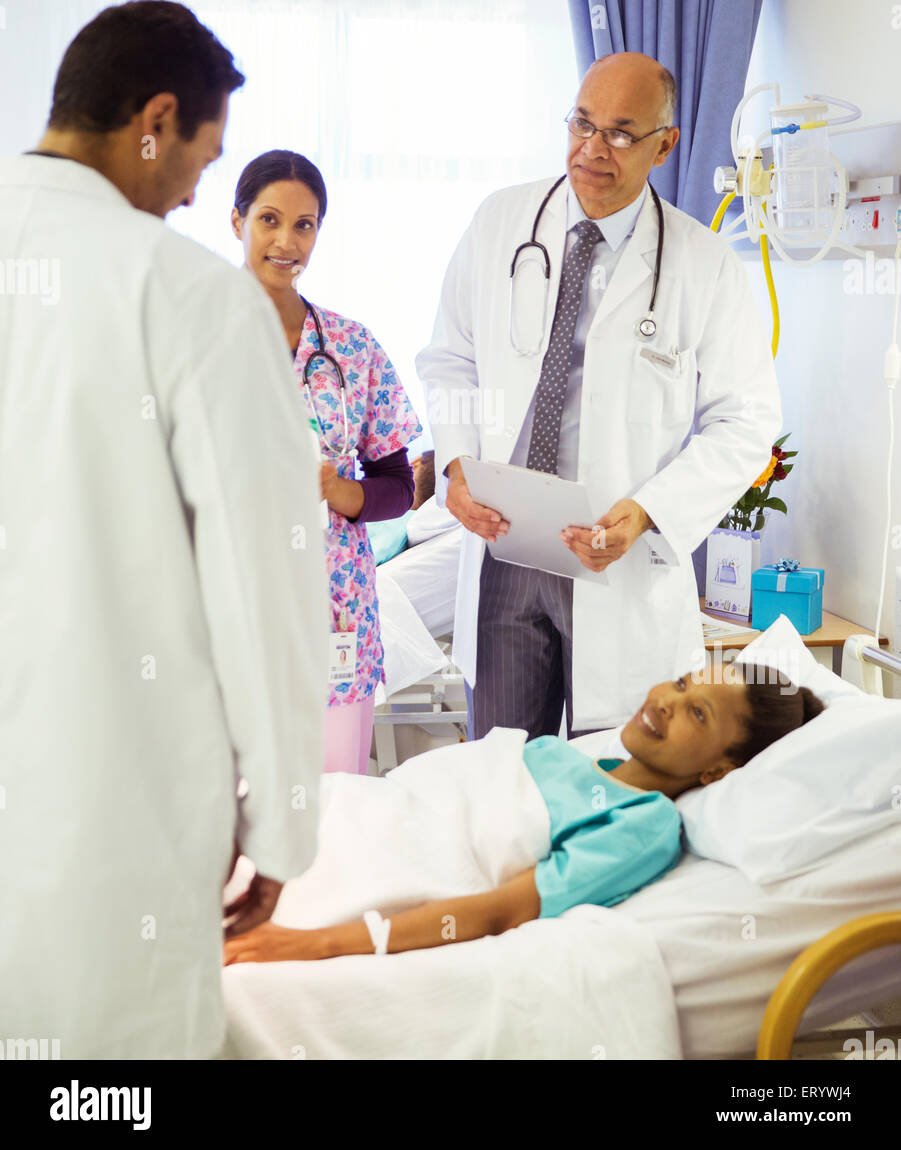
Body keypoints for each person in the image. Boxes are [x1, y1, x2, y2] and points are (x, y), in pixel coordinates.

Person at [0, 0, 330, 1058]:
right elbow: (266, 581)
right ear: (155, 118)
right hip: (114, 805)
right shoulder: (193, 299)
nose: (197, 191)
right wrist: (283, 820)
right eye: (203, 157)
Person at [416, 52, 782, 740]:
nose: (591, 150)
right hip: (506, 545)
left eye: (619, 133)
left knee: (609, 785)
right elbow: (449, 358)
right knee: (502, 778)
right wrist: (456, 461)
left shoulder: (705, 267)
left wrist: (647, 512)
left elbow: (745, 422)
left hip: (616, 560)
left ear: (664, 144)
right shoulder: (500, 222)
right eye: (581, 124)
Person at [223, 662, 824, 963]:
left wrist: (317, 944)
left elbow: (496, 911)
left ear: (719, 771)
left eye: (698, 714)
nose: (668, 702)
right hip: (353, 811)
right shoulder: (566, 758)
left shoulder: (646, 824)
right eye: (683, 684)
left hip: (366, 864)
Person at [231, 150, 422, 774]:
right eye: (269, 220)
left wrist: (346, 493)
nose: (287, 241)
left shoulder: (351, 346)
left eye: (305, 224)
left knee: (336, 807)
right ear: (238, 222)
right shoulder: (194, 335)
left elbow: (399, 484)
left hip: (335, 605)